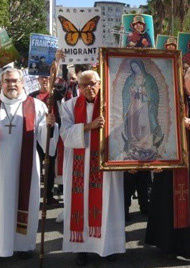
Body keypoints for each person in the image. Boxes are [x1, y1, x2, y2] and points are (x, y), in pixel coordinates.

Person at [0, 68, 58, 267]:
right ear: (1, 83)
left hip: (24, 167)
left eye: (15, 80)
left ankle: (22, 245)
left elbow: (45, 135)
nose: (11, 84)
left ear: (23, 83)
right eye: (7, 81)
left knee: (23, 201)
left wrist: (50, 126)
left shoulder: (37, 105)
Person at [145, 67, 190, 259]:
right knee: (168, 201)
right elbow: (155, 126)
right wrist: (154, 159)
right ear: (183, 81)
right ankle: (168, 245)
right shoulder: (170, 99)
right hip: (171, 159)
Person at [60, 70, 125, 266]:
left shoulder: (111, 103)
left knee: (108, 204)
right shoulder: (69, 106)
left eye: (93, 83)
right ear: (78, 87)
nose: (89, 88)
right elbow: (64, 132)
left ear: (100, 84)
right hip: (79, 163)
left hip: (105, 162)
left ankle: (109, 246)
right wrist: (89, 126)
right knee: (81, 205)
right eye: (84, 85)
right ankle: (82, 249)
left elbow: (123, 129)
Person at [122, 59, 163, 160]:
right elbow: (125, 92)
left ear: (141, 66)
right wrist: (131, 90)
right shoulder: (130, 79)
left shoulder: (149, 79)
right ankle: (134, 143)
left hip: (145, 104)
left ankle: (146, 144)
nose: (135, 69)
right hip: (133, 104)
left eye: (136, 67)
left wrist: (144, 91)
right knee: (134, 122)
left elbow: (154, 93)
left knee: (144, 122)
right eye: (133, 68)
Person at [29, 76, 60, 205]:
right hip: (36, 135)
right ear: (38, 80)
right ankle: (33, 195)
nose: (44, 80)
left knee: (50, 166)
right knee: (35, 166)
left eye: (47, 78)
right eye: (42, 78)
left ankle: (49, 195)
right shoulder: (32, 96)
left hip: (52, 134)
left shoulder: (57, 95)